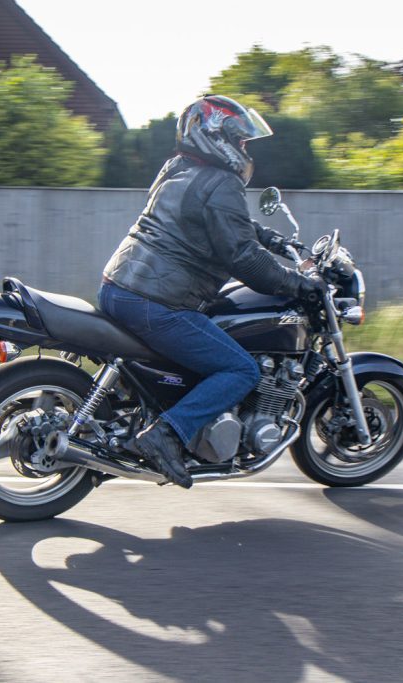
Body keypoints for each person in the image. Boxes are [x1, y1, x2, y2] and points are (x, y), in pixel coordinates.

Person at [99, 95, 325, 488]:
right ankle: (166, 434)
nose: (243, 149)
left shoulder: (177, 169)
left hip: (120, 288)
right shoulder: (221, 183)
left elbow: (224, 226)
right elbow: (243, 258)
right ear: (216, 138)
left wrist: (269, 238)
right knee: (241, 369)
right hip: (157, 303)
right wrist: (298, 284)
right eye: (240, 141)